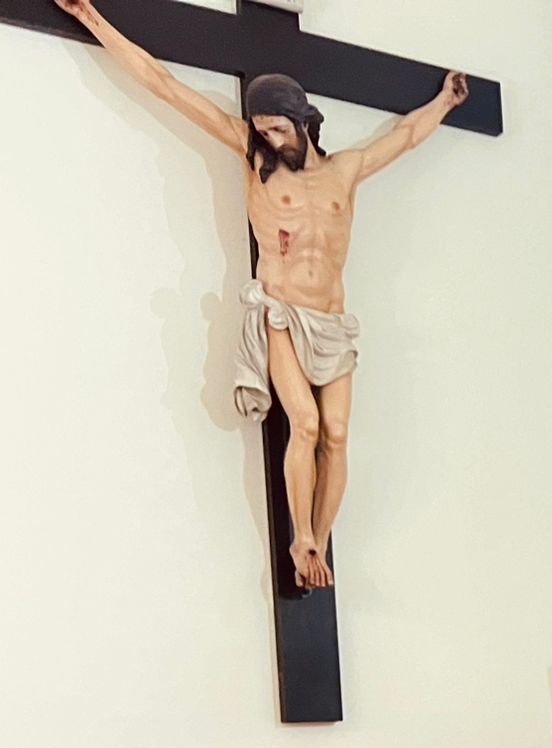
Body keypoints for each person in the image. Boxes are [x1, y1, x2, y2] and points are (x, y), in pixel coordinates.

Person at [53, 0, 470, 589]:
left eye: (277, 128)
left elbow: (404, 137)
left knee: (339, 434)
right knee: (305, 423)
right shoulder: (255, 162)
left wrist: (445, 102)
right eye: (262, 130)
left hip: (333, 321)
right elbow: (165, 84)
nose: (268, 139)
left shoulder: (345, 169)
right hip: (282, 316)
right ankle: (301, 537)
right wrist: (91, 17)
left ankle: (321, 537)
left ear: (302, 122)